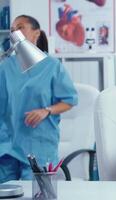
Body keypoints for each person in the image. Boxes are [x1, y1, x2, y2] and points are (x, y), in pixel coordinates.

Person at [0, 15, 78, 183]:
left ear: (36, 34)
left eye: (20, 28)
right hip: (7, 147)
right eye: (12, 30)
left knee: (36, 193)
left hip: (38, 146)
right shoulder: (5, 66)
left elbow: (69, 100)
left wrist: (46, 111)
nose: (15, 33)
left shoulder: (52, 66)